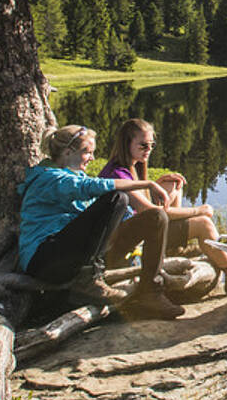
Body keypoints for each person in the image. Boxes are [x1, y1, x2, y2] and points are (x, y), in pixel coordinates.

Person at [19, 123, 183, 320]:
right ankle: (88, 281)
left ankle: (151, 292)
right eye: (87, 152)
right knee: (117, 198)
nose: (92, 158)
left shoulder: (73, 175)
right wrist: (148, 184)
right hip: (44, 260)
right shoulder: (49, 178)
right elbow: (94, 186)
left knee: (156, 217)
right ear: (68, 152)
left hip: (71, 255)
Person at [97, 118, 227, 287]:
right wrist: (200, 210)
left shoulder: (130, 166)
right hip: (122, 244)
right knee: (204, 224)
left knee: (172, 184)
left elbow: (141, 204)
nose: (149, 150)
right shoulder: (118, 175)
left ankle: (171, 249)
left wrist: (159, 184)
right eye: (143, 145)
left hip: (134, 229)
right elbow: (153, 215)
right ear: (126, 143)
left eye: (152, 145)